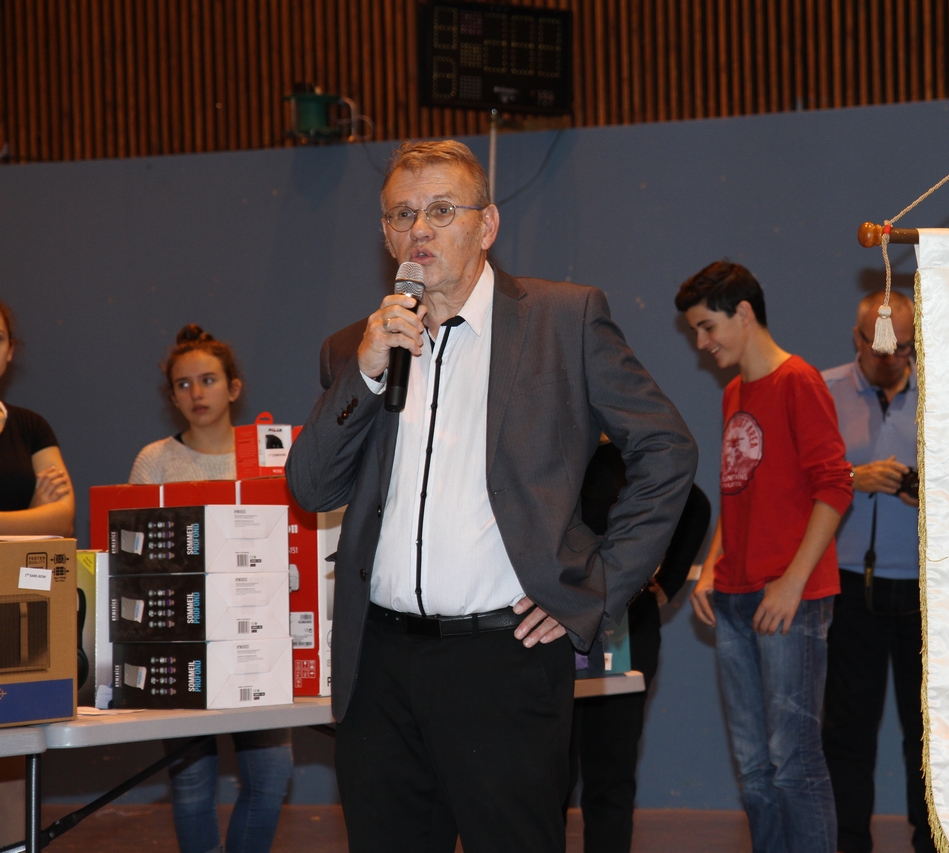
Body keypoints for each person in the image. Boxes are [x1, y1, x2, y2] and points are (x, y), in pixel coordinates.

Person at [284, 139, 697, 853]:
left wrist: (597, 586)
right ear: (384, 235)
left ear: (488, 225)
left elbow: (668, 450)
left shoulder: (564, 319)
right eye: (403, 214)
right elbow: (311, 483)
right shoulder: (355, 346)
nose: (421, 229)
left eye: (443, 209)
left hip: (501, 663)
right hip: (378, 665)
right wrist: (367, 371)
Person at [676, 261, 852, 853]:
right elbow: (737, 487)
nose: (702, 343)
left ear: (743, 314)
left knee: (793, 761)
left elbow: (835, 487)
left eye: (707, 328)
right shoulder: (734, 393)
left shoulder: (798, 380)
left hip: (789, 602)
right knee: (754, 766)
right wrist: (710, 565)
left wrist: (792, 583)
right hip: (733, 598)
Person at [129, 325, 293, 853]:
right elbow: (133, 556)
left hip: (259, 641)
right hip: (182, 641)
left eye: (207, 380)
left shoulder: (269, 458)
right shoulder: (154, 460)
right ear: (171, 395)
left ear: (234, 388)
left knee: (270, 777)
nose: (196, 393)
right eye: (183, 384)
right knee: (192, 786)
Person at [820, 292, 935, 853]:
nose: (890, 356)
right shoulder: (822, 390)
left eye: (904, 346)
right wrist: (850, 477)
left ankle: (932, 841)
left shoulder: (945, 391)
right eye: (879, 344)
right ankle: (847, 844)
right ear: (856, 336)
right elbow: (797, 480)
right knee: (847, 733)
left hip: (930, 593)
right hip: (848, 588)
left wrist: (927, 490)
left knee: (929, 735)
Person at [568, 438, 711, 853]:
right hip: (553, 626)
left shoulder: (633, 458)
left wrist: (665, 585)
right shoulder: (549, 448)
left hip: (627, 630)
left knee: (611, 770)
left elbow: (696, 506)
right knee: (548, 773)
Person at [0, 300, 74, 536]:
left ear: (10, 351)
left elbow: (62, 520)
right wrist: (32, 513)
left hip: (18, 572)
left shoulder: (32, 427)